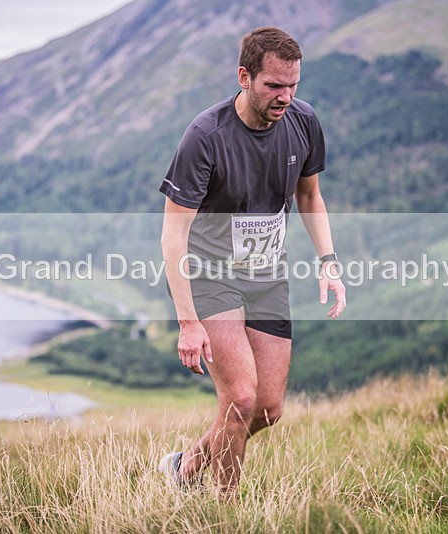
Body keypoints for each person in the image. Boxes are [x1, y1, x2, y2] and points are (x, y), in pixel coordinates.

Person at [158, 26, 346, 498]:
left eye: (293, 85)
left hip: (266, 275)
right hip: (210, 275)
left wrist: (329, 261)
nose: (285, 96)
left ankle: (185, 467)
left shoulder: (304, 122)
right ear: (244, 77)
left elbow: (310, 196)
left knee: (266, 410)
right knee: (239, 399)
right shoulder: (206, 135)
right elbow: (173, 233)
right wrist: (187, 321)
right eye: (273, 86)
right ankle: (227, 511)